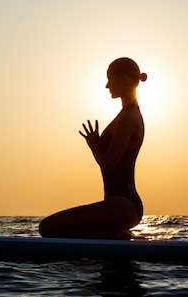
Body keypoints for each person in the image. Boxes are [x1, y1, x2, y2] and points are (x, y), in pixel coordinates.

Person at [39, 57, 147, 239]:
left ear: (125, 79)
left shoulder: (129, 118)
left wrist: (94, 146)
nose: (107, 86)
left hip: (123, 205)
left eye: (110, 79)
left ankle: (117, 236)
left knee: (47, 228)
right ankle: (114, 234)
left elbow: (109, 165)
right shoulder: (127, 115)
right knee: (50, 229)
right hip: (120, 204)